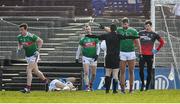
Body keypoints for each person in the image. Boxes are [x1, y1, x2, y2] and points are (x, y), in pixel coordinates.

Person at [87, 24, 139, 94]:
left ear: (110, 29)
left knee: (108, 73)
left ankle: (107, 90)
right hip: (116, 57)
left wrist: (89, 36)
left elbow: (96, 37)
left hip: (108, 57)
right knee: (115, 74)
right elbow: (128, 37)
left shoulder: (106, 35)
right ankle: (114, 90)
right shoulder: (118, 36)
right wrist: (137, 36)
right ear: (116, 29)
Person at [100, 17, 142, 94]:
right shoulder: (118, 30)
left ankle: (131, 89)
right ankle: (122, 89)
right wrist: (103, 27)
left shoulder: (133, 31)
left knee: (131, 71)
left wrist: (140, 53)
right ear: (121, 24)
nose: (124, 25)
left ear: (128, 24)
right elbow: (110, 30)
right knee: (122, 71)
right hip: (122, 52)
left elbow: (137, 42)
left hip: (131, 52)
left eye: (126, 23)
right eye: (123, 23)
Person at [17, 23, 49, 93]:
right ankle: (46, 81)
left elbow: (40, 41)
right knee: (36, 71)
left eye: (22, 30)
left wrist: (38, 50)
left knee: (28, 69)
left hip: (34, 55)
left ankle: (28, 88)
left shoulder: (31, 36)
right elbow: (19, 43)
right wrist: (19, 48)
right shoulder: (19, 37)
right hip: (27, 56)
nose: (21, 31)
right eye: (20, 30)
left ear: (26, 30)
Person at [139, 20, 165, 91]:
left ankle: (147, 87)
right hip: (142, 54)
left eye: (148, 26)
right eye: (146, 26)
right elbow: (135, 40)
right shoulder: (141, 33)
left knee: (149, 71)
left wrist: (156, 50)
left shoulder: (154, 34)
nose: (147, 27)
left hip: (150, 55)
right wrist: (138, 48)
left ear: (151, 26)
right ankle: (142, 84)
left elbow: (162, 42)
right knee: (140, 70)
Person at [75, 24, 100, 91]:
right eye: (86, 29)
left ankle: (91, 84)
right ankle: (87, 86)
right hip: (85, 57)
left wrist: (97, 55)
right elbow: (79, 48)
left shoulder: (95, 37)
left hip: (93, 58)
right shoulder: (83, 39)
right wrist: (76, 58)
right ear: (85, 30)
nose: (88, 30)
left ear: (91, 29)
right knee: (86, 72)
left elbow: (98, 47)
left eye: (88, 29)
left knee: (94, 74)